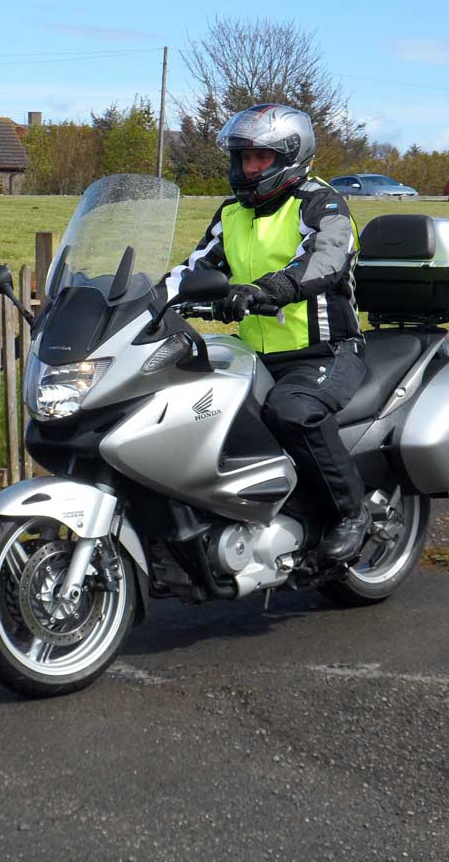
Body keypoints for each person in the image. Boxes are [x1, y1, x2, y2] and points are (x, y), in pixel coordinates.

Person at [166, 103, 369, 569]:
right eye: (243, 157)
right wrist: (147, 296)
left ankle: (350, 515)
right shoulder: (232, 212)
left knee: (292, 411)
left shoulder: (323, 204)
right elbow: (195, 267)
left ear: (291, 158)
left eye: (261, 158)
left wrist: (269, 288)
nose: (249, 168)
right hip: (252, 354)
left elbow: (325, 258)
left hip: (323, 351)